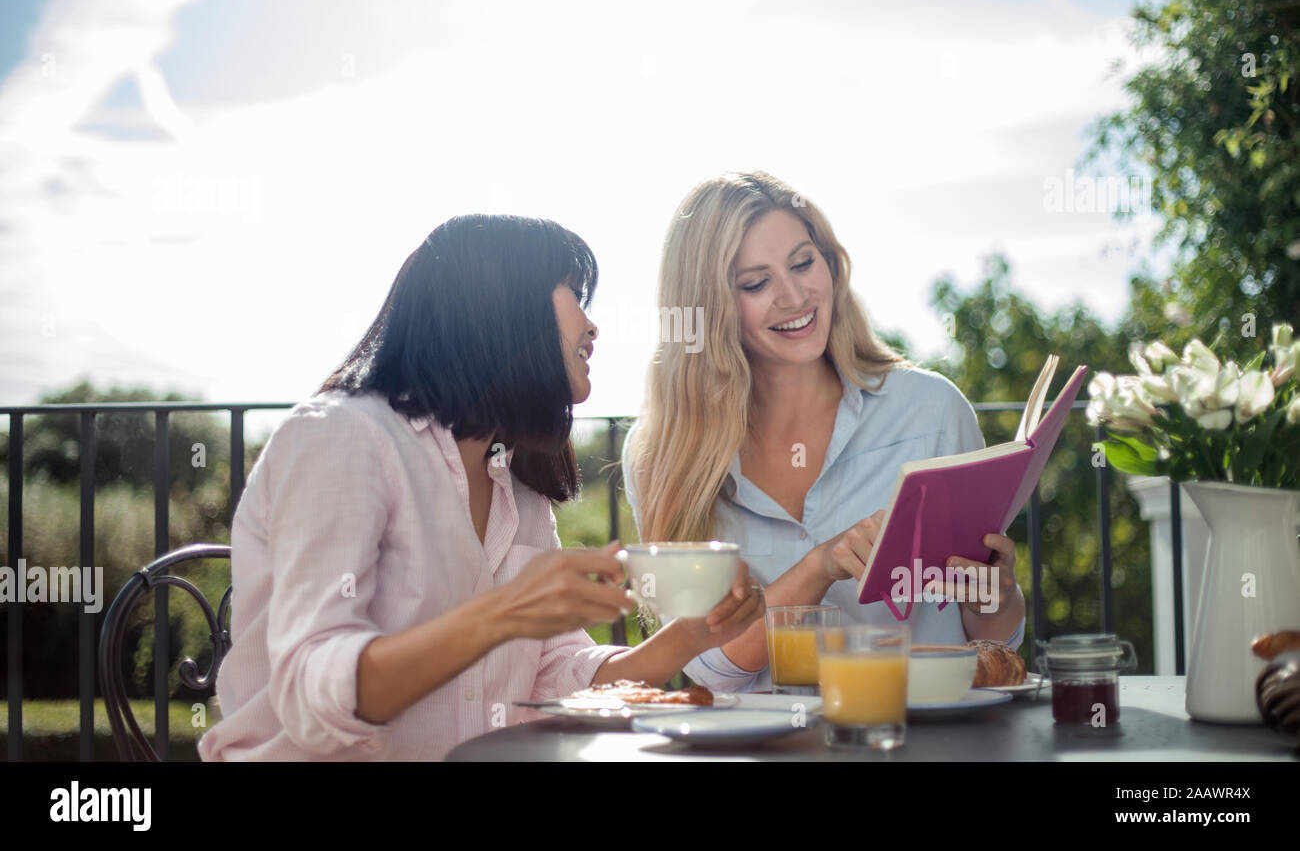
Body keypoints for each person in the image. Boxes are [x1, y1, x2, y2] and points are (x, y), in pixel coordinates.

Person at [199, 214, 764, 761]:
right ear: (503, 307)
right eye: (572, 293)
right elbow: (310, 695)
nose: (593, 326)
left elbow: (555, 674)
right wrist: (504, 612)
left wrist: (692, 635)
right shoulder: (342, 437)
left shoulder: (516, 482)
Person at [622, 172, 1025, 693]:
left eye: (803, 263)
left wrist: (996, 596)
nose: (794, 296)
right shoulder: (663, 455)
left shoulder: (931, 411)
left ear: (830, 262)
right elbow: (712, 666)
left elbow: (994, 644)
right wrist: (819, 568)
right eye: (756, 283)